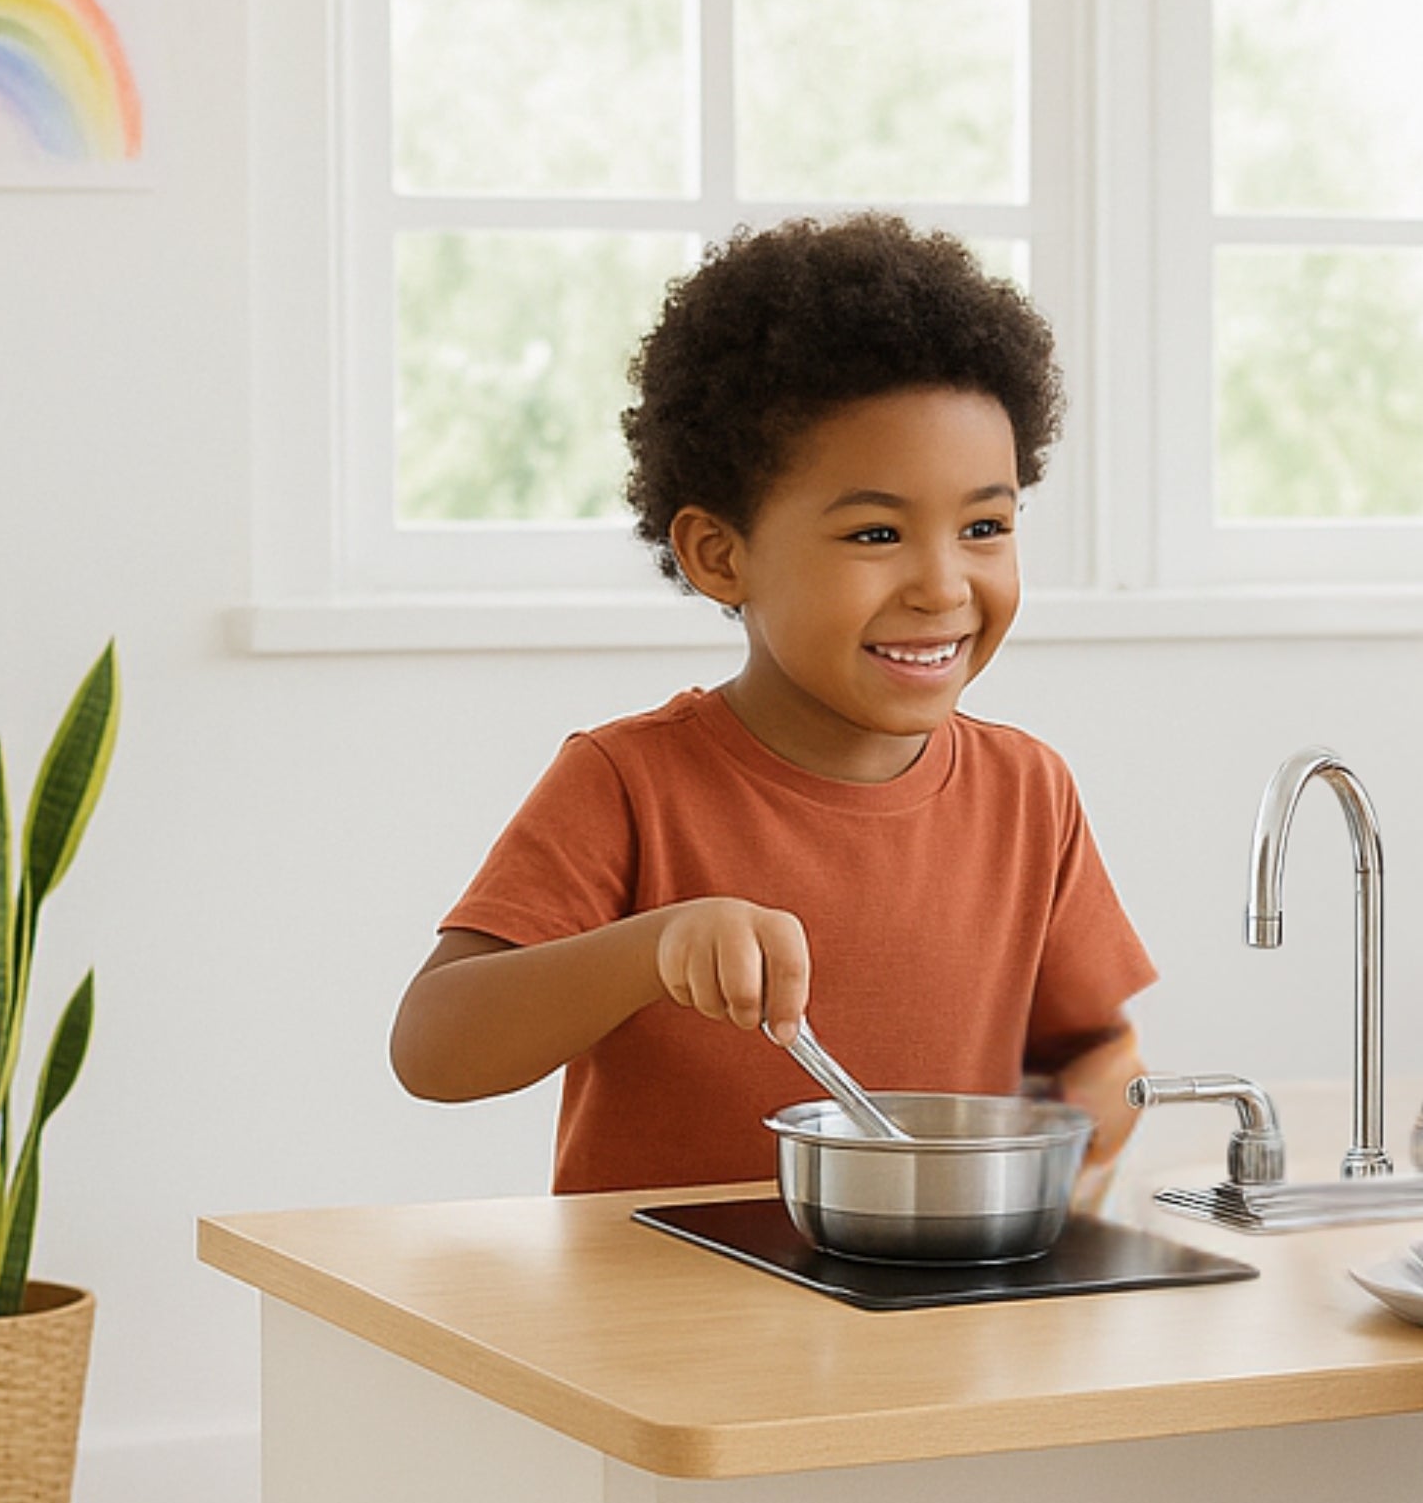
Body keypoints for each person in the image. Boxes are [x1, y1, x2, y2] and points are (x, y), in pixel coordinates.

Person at [391, 215, 1152, 1194]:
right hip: (661, 1324)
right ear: (720, 555)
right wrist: (649, 951)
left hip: (933, 1314)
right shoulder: (631, 782)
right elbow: (434, 1051)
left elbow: (1095, 1055)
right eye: (877, 534)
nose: (943, 584)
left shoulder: (1028, 791)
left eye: (985, 526)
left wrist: (1083, 1126)